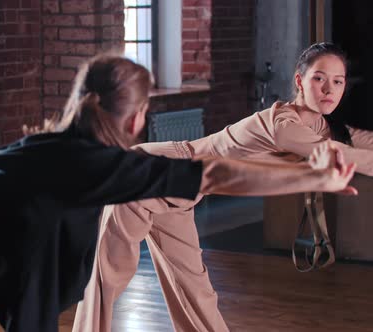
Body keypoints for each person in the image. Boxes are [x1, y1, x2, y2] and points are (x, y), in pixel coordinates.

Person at [0, 54, 355, 332]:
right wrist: (314, 178)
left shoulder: (48, 149)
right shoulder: (91, 169)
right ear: (136, 119)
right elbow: (214, 175)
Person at [72, 42, 373, 332]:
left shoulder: (322, 127)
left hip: (185, 188)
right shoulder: (284, 124)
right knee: (109, 271)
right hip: (157, 168)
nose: (328, 89)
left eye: (338, 81)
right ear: (299, 80)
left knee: (194, 288)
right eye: (319, 78)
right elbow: (339, 156)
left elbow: (360, 141)